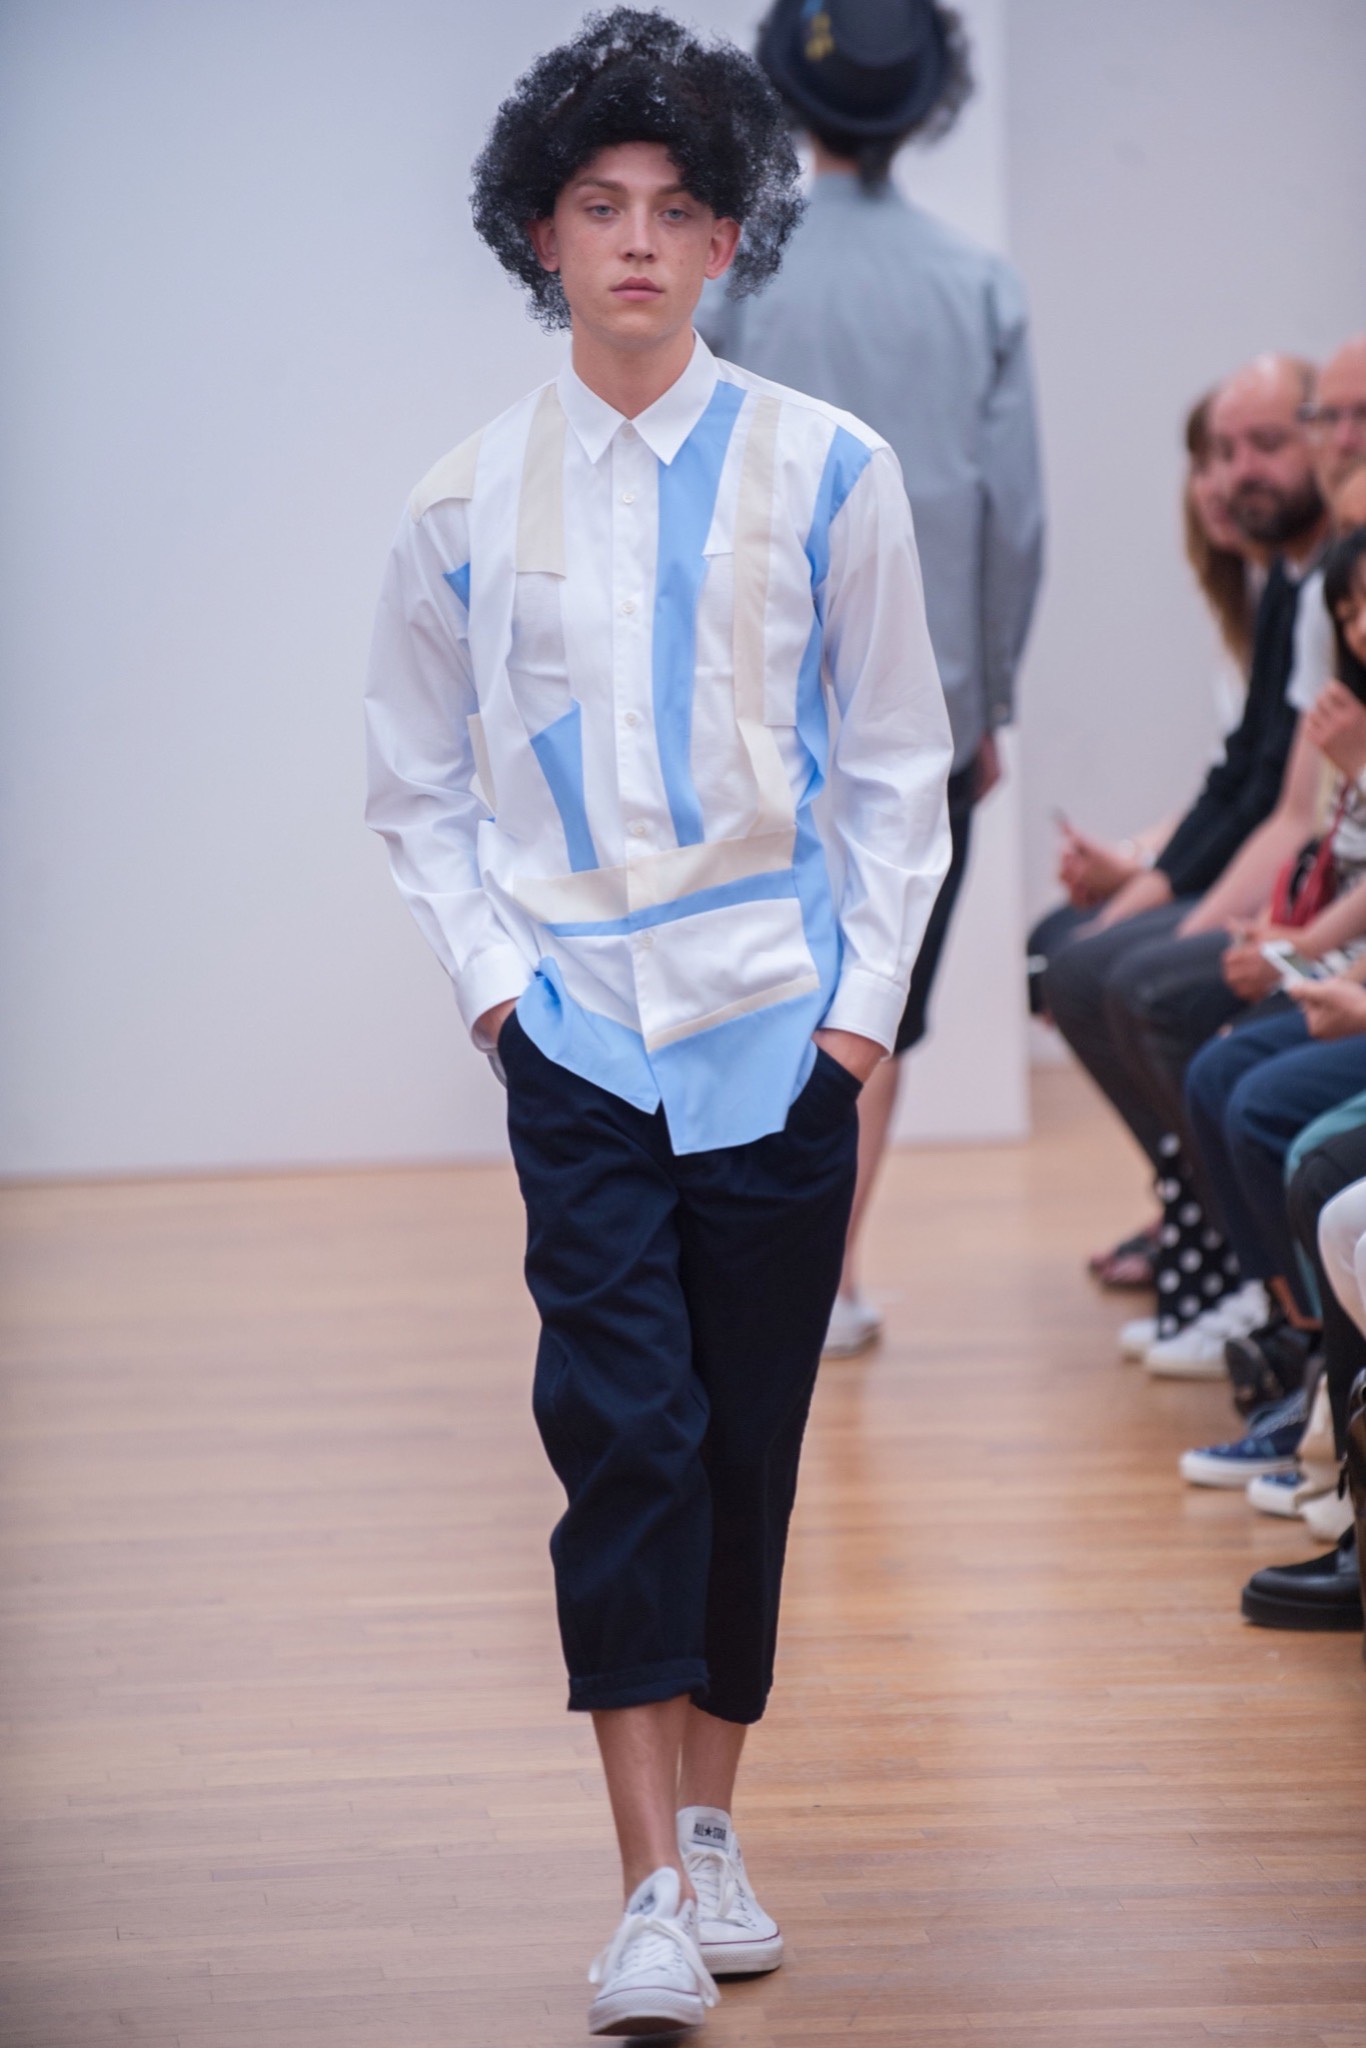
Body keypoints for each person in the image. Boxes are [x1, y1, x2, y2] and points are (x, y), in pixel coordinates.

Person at [364, 10, 952, 2035]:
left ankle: (710, 1832)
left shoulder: (832, 473)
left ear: (727, 237)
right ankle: (635, 1888)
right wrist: (497, 999)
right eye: (598, 206)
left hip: (777, 1039)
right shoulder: (459, 504)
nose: (635, 240)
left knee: (748, 1447)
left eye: (675, 208)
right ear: (538, 234)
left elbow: (897, 766)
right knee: (623, 1433)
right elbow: (413, 787)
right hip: (583, 1047)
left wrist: (857, 1027)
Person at [700, 0, 1043, 1356]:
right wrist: (990, 700)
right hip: (928, 703)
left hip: (752, 693)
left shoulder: (737, 273)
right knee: (877, 986)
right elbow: (1012, 518)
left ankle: (729, 1264)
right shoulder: (978, 284)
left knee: (746, 965)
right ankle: (828, 1282)